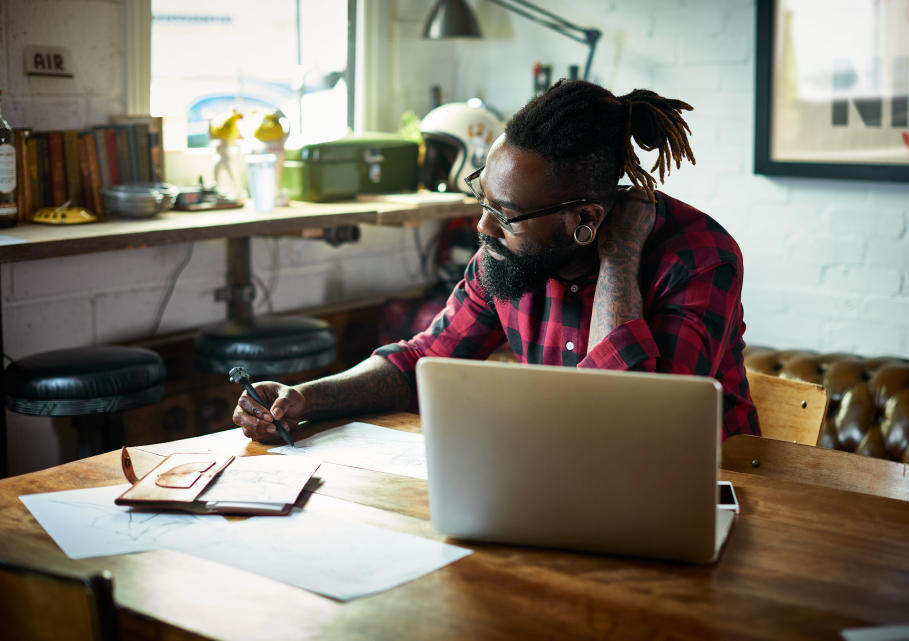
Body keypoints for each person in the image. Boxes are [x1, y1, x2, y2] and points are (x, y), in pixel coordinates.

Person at [233, 80, 761, 442]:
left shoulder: (698, 257)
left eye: (507, 214)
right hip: (560, 482)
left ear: (586, 220)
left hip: (707, 493)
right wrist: (306, 399)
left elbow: (638, 425)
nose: (483, 227)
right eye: (483, 199)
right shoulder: (504, 257)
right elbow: (424, 361)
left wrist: (619, 259)